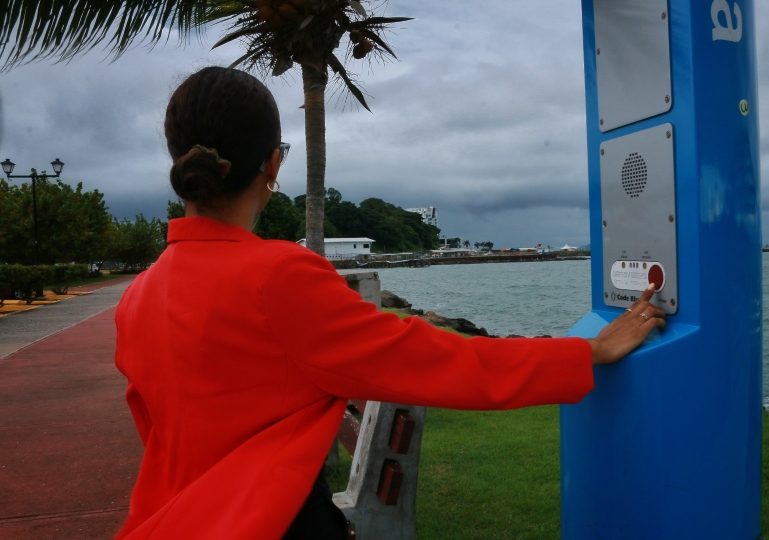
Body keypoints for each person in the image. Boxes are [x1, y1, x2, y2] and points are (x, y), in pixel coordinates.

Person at [114, 66, 666, 539]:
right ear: (273, 165)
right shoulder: (276, 277)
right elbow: (439, 361)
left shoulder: (138, 296)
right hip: (270, 523)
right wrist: (585, 352)